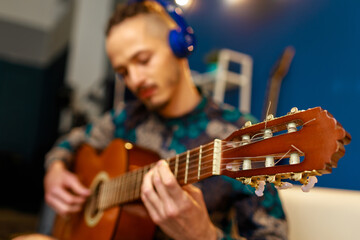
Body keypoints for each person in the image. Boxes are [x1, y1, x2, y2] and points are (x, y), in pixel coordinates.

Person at [43, 1, 287, 239]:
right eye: (123, 72)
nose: (135, 79)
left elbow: (273, 235)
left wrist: (205, 235)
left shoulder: (243, 135)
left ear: (178, 45)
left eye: (143, 59)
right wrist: (55, 169)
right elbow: (70, 143)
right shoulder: (124, 118)